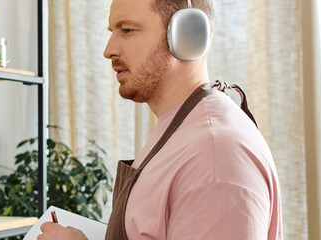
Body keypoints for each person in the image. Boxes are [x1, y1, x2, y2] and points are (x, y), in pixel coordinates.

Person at [38, 0, 282, 239]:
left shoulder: (215, 152)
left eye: (127, 30)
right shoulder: (180, 127)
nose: (108, 50)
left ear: (187, 34)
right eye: (112, 31)